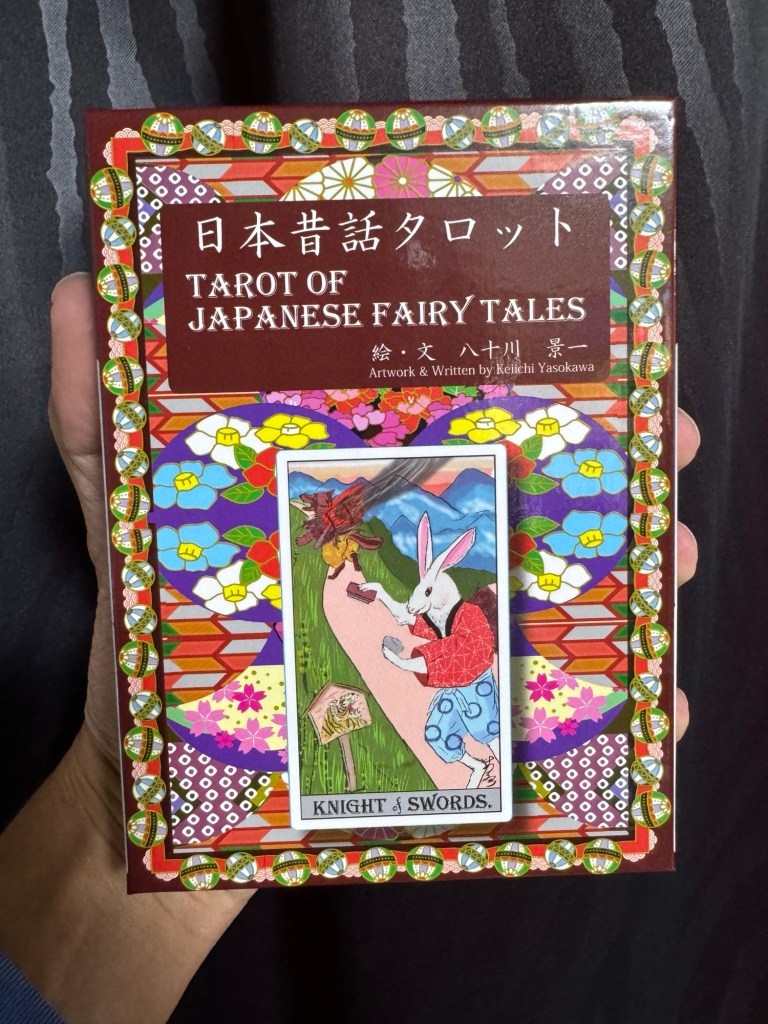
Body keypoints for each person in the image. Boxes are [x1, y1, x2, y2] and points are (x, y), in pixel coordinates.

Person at [0, 272, 700, 1023]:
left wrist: (413, 655)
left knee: (458, 727)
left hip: (465, 689)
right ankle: (472, 765)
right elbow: (417, 616)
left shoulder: (467, 614)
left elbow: (457, 652)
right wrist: (126, 798)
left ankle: (478, 765)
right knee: (443, 733)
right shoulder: (394, 576)